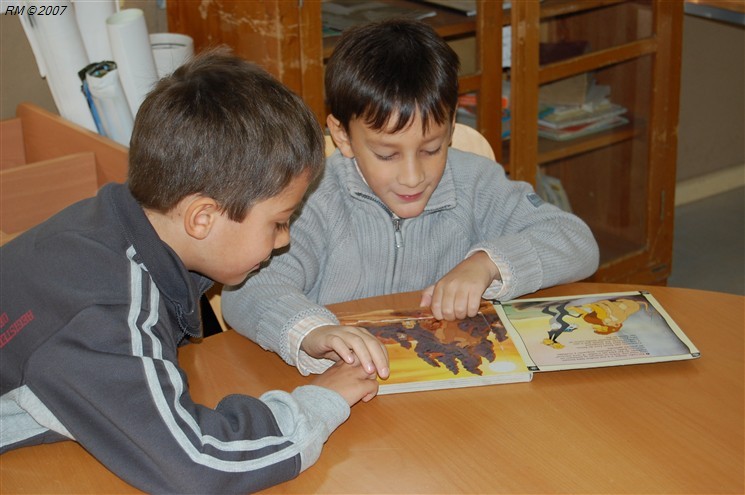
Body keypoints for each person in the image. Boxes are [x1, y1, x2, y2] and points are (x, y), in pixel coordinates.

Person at [0, 49, 380, 494]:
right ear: (202, 218)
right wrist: (322, 400)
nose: (284, 240)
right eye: (278, 222)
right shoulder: (106, 316)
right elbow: (198, 465)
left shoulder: (107, 224)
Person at [221, 18, 599, 379]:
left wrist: (488, 264)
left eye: (431, 149)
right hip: (347, 393)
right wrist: (314, 333)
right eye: (387, 155)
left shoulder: (476, 183)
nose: (413, 176)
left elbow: (575, 240)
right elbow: (248, 291)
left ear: (451, 128)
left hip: (448, 388)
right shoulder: (311, 200)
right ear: (343, 136)